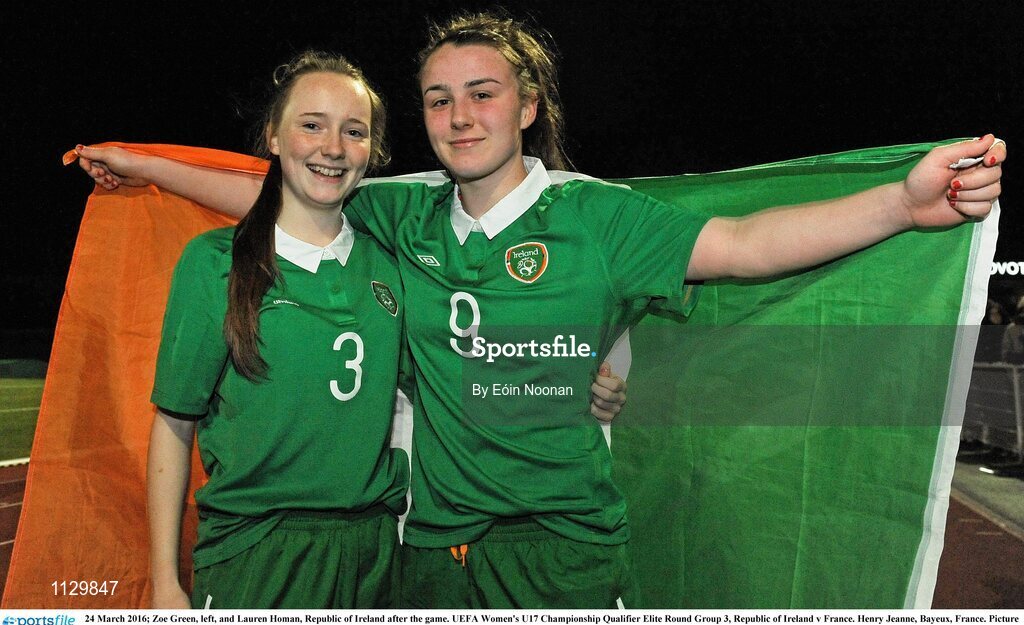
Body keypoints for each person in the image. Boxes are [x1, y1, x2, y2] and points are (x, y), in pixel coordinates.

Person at [77, 11, 1006, 609]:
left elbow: (745, 244)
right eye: (439, 99)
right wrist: (151, 165)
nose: (460, 114)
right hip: (428, 560)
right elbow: (286, 196)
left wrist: (902, 202)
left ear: (527, 105)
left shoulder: (596, 215)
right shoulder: (403, 213)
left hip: (564, 553)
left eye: (483, 93)